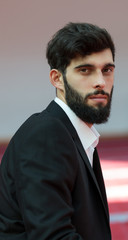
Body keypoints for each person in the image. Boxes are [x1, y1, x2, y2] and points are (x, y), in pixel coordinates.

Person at [0, 22, 115, 239]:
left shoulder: (71, 131)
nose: (100, 82)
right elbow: (53, 235)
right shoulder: (46, 135)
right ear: (57, 79)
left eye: (107, 70)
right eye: (85, 70)